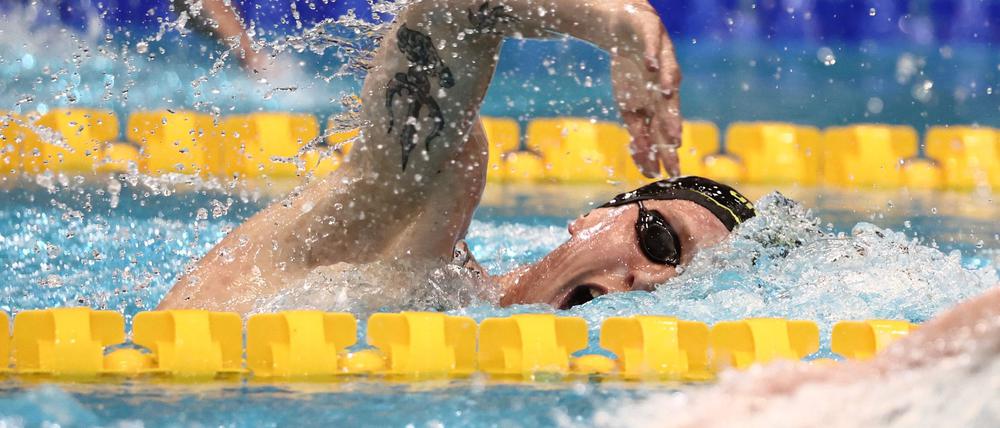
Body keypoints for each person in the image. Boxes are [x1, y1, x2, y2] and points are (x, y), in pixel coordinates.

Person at [158, 0, 743, 314]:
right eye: (662, 242)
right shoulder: (421, 214)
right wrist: (616, 21)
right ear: (595, 216)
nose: (651, 282)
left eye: (682, 287)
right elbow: (454, 13)